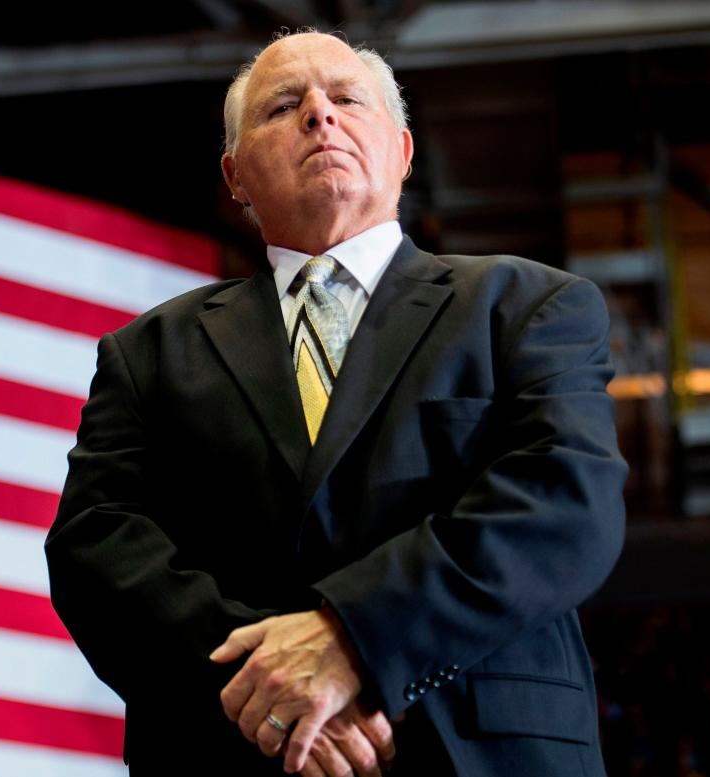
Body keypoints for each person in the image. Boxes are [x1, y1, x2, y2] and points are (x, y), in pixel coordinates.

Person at [46, 29, 627, 777]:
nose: (320, 114)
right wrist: (271, 691)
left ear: (403, 151)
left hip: (485, 750)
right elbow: (96, 552)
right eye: (284, 106)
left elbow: (567, 501)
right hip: (238, 751)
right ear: (235, 177)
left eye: (347, 98)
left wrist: (356, 636)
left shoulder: (530, 304)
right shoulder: (148, 352)